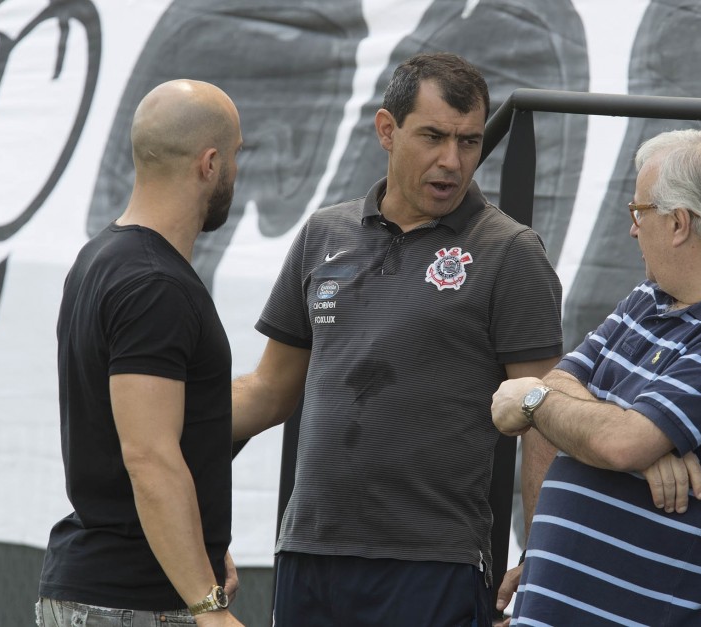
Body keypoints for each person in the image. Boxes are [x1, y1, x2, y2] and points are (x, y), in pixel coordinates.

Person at [230, 52, 563, 626]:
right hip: (310, 554)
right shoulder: (322, 233)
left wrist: (545, 560)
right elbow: (268, 390)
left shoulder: (510, 250)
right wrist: (168, 441)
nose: (451, 161)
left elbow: (546, 415)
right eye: (433, 136)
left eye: (468, 142)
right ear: (387, 130)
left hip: (433, 565)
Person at [492, 128, 701, 625]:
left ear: (680, 223)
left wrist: (541, 405)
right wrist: (630, 441)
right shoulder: (650, 297)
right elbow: (566, 391)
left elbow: (613, 439)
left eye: (638, 212)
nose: (633, 229)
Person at [37, 79, 246, 627]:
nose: (235, 174)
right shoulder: (156, 285)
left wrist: (196, 543)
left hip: (106, 588)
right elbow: (149, 458)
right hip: (131, 602)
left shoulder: (101, 258)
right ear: (209, 164)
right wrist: (207, 605)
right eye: (235, 158)